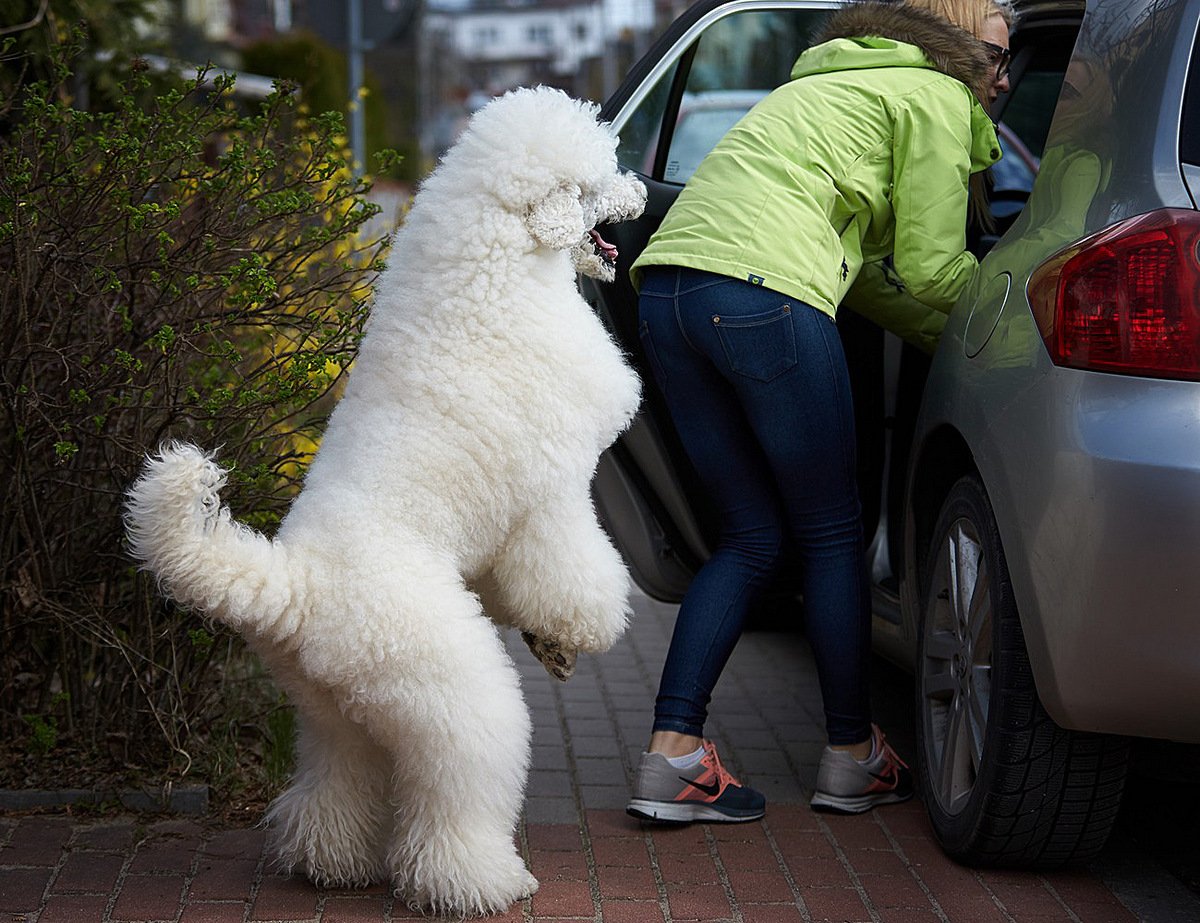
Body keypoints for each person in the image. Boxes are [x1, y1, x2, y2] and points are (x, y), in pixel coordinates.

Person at [624, 0, 1013, 824]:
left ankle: (673, 756)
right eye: (993, 55)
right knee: (833, 532)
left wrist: (939, 335)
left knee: (751, 535)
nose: (1002, 77)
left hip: (667, 292)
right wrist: (1013, 317)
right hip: (765, 296)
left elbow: (866, 276)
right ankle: (851, 754)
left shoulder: (828, 85)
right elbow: (933, 267)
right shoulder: (937, 96)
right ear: (950, 44)